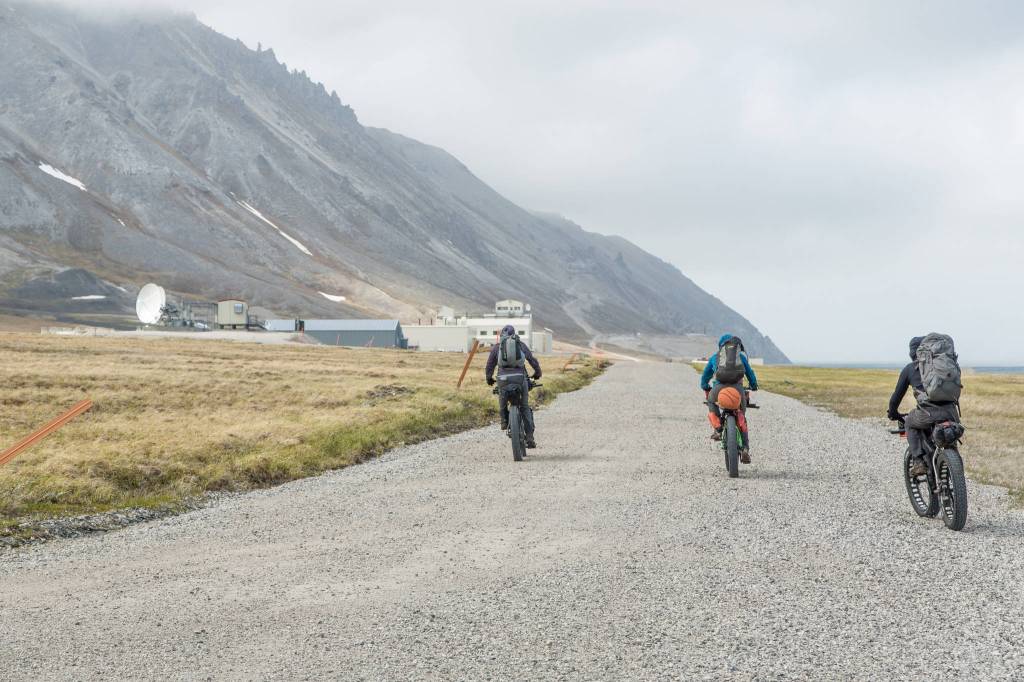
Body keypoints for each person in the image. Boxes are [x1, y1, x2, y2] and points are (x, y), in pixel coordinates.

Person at [888, 336, 961, 475]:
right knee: (951, 442)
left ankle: (918, 462)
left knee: (910, 421)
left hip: (928, 414)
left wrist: (893, 413)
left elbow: (896, 397)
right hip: (952, 412)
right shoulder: (943, 365)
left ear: (912, 353)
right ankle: (957, 472)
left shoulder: (910, 368)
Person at [700, 334, 759, 462]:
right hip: (738, 390)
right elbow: (750, 373)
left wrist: (705, 386)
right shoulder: (741, 357)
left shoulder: (715, 358)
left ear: (721, 347)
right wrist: (754, 386)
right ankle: (745, 449)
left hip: (718, 389)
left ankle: (718, 428)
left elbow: (705, 377)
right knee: (742, 416)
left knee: (711, 400)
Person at [485, 325, 542, 448]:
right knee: (525, 406)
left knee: (502, 399)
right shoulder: (520, 345)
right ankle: (530, 437)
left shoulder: (497, 347)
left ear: (502, 336)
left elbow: (489, 365)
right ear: (514, 335)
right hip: (520, 378)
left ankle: (504, 421)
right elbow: (532, 360)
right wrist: (537, 373)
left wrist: (489, 378)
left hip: (503, 380)